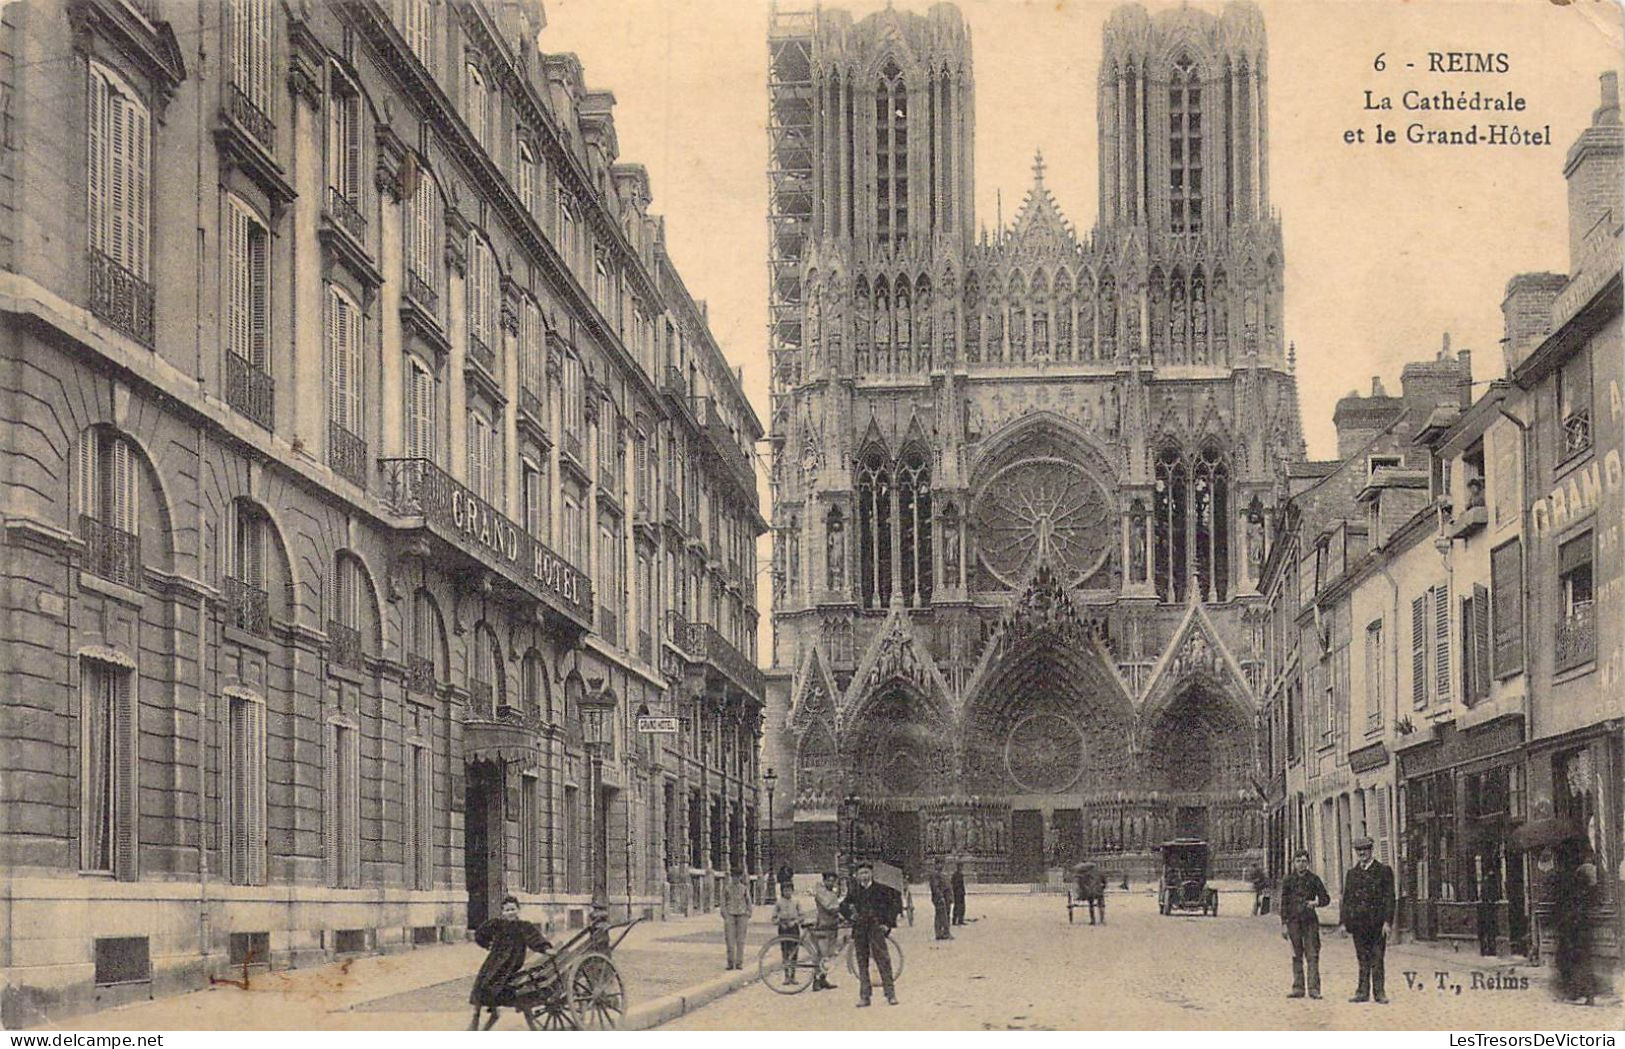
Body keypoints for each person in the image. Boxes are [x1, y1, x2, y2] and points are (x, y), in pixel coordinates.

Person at [469, 895, 551, 1030]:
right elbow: (480, 933)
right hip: (494, 960)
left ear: (518, 910)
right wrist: (486, 944)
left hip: (512, 962)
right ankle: (478, 1018)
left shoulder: (523, 926)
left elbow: (534, 939)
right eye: (507, 910)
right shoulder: (497, 924)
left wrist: (545, 949)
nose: (510, 913)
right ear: (502, 912)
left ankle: (494, 1013)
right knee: (481, 983)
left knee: (504, 985)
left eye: (513, 909)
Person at [1340, 836, 1395, 1004]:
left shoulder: (1384, 871)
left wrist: (1387, 922)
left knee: (1377, 958)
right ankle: (1362, 992)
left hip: (1377, 924)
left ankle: (1379, 993)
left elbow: (1389, 899)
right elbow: (1347, 900)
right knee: (1362, 959)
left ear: (1371, 850)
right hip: (1358, 924)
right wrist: (1343, 922)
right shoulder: (1352, 874)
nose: (1362, 853)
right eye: (1359, 850)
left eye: (1365, 849)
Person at [840, 861, 902, 1007]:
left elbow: (894, 905)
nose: (864, 876)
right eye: (861, 873)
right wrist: (851, 917)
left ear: (871, 874)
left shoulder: (881, 890)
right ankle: (865, 997)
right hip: (860, 931)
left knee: (883, 961)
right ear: (857, 875)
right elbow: (843, 905)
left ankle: (890, 995)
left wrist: (887, 924)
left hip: (876, 930)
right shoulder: (854, 891)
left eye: (866, 872)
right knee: (862, 963)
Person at [1279, 849, 1330, 999]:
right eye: (1298, 861)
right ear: (1294, 863)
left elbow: (1325, 898)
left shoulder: (1314, 879)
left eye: (1304, 861)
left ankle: (1314, 989)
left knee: (1312, 954)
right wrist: (1284, 924)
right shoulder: (1288, 880)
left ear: (1308, 863)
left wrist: (1316, 902)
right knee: (1296, 954)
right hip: (1293, 921)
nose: (1301, 864)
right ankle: (1298, 988)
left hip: (1309, 922)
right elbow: (1284, 903)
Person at [810, 871, 842, 992]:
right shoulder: (821, 892)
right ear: (824, 881)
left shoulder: (832, 893)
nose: (831, 882)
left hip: (832, 926)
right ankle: (816, 981)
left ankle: (823, 979)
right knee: (821, 955)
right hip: (822, 926)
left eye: (833, 880)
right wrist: (841, 908)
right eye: (828, 880)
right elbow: (829, 906)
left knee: (828, 955)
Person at [771, 889, 806, 987]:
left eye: (789, 890)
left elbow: (802, 915)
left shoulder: (796, 901)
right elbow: (773, 917)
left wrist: (795, 922)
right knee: (785, 951)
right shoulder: (779, 902)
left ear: (792, 891)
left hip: (794, 928)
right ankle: (786, 976)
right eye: (785, 891)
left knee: (794, 951)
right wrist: (780, 922)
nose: (788, 893)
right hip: (783, 928)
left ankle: (793, 976)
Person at [721, 870, 753, 971]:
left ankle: (739, 963)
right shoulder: (727, 888)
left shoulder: (744, 888)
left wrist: (748, 913)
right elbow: (723, 902)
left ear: (740, 877)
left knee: (740, 940)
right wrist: (725, 914)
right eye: (733, 876)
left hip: (742, 915)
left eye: (737, 876)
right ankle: (730, 962)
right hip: (730, 914)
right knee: (730, 940)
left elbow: (748, 901)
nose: (735, 878)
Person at [929, 858, 954, 940]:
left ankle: (941, 933)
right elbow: (935, 888)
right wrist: (940, 896)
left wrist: (950, 896)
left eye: (942, 864)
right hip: (940, 897)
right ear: (936, 864)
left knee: (944, 914)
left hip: (946, 897)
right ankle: (943, 933)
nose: (942, 866)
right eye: (940, 864)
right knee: (941, 915)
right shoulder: (935, 875)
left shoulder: (942, 874)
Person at [952, 861, 968, 926]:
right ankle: (956, 920)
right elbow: (955, 884)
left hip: (960, 893)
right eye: (960, 866)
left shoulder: (959, 874)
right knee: (957, 906)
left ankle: (960, 920)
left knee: (961, 907)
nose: (961, 868)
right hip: (957, 893)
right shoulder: (956, 875)